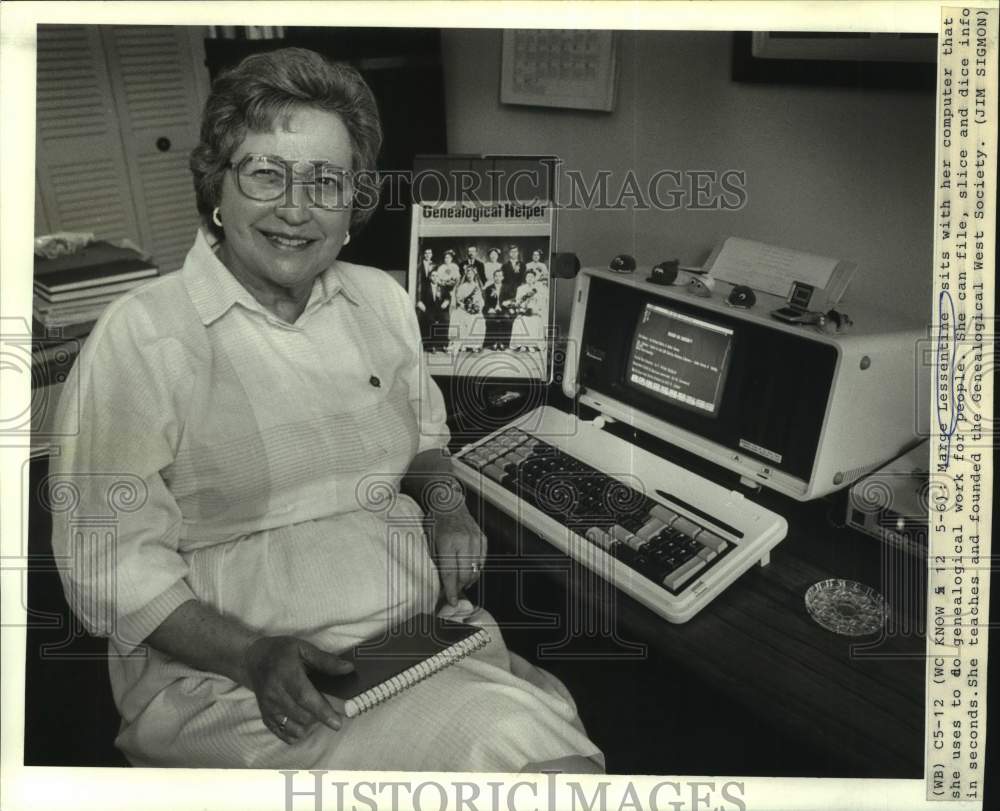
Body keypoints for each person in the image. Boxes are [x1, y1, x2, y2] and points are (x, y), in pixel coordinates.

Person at [49, 47, 602, 774]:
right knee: (515, 749)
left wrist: (446, 507)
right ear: (218, 187)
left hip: (418, 640)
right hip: (242, 685)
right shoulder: (143, 336)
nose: (297, 208)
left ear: (353, 202)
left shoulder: (381, 299)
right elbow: (108, 564)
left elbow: (425, 445)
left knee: (536, 730)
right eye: (267, 174)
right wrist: (249, 654)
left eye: (326, 181)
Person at [450, 264, 486, 353]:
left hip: (473, 310)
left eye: (471, 274)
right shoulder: (462, 286)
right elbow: (459, 300)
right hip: (463, 309)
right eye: (468, 274)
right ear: (466, 275)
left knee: (478, 319)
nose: (470, 276)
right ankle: (464, 344)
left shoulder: (476, 286)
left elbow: (480, 300)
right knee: (460, 317)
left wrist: (476, 307)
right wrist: (465, 307)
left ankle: (474, 345)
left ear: (474, 275)